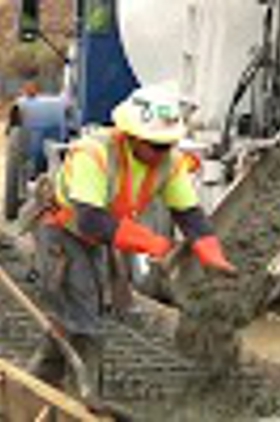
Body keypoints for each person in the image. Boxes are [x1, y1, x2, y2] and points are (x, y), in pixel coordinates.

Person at [27, 82, 236, 401]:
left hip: (95, 237)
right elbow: (90, 220)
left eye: (167, 145)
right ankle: (86, 395)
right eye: (155, 145)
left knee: (81, 308)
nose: (161, 153)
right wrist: (154, 244)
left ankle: (40, 378)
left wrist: (211, 254)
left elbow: (189, 214)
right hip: (61, 230)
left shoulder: (169, 162)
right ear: (131, 136)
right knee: (83, 310)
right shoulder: (93, 153)